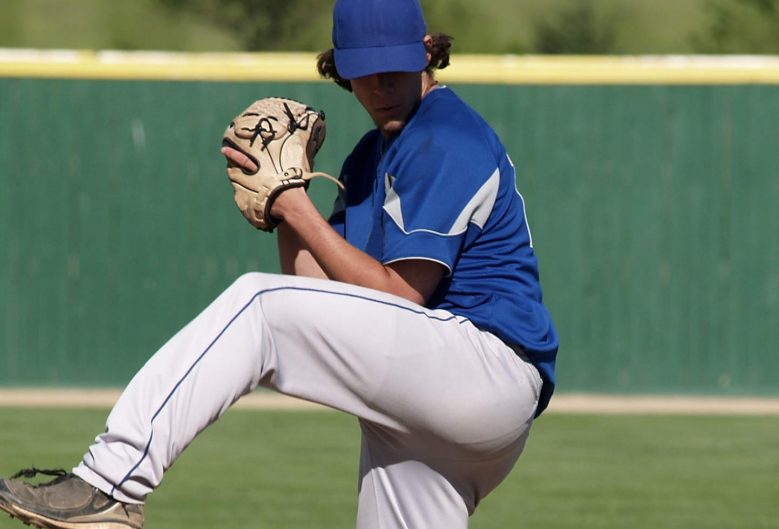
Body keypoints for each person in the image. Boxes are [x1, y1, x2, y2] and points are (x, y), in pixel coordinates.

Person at [0, 0, 558, 528]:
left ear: (428, 52)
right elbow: (316, 290)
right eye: (366, 72)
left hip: (484, 367)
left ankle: (108, 483)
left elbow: (400, 294)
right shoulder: (369, 157)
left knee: (258, 305)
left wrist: (298, 205)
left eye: (396, 69)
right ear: (341, 70)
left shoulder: (446, 134)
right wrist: (282, 202)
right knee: (273, 310)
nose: (381, 87)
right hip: (429, 405)